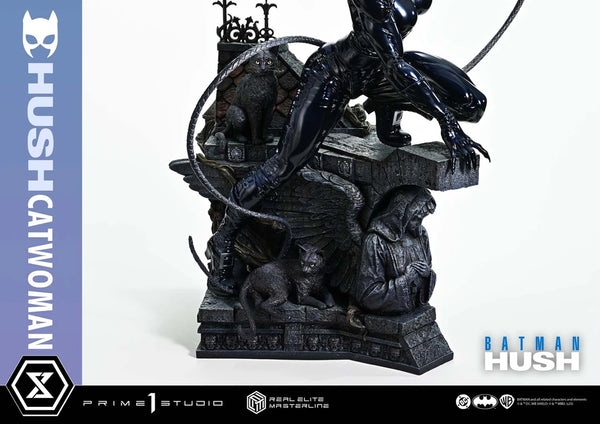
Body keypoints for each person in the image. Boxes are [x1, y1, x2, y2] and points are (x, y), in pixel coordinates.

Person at [206, 0, 488, 296]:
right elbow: (394, 63)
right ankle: (224, 240)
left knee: (471, 103)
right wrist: (446, 122)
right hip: (334, 76)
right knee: (284, 163)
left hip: (380, 71)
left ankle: (386, 107)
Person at [351, 186, 437, 314]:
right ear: (401, 214)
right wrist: (406, 280)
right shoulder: (376, 241)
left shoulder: (420, 235)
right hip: (384, 318)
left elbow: (428, 266)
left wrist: (427, 275)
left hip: (414, 312)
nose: (419, 223)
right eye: (415, 218)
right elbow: (368, 295)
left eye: (422, 218)